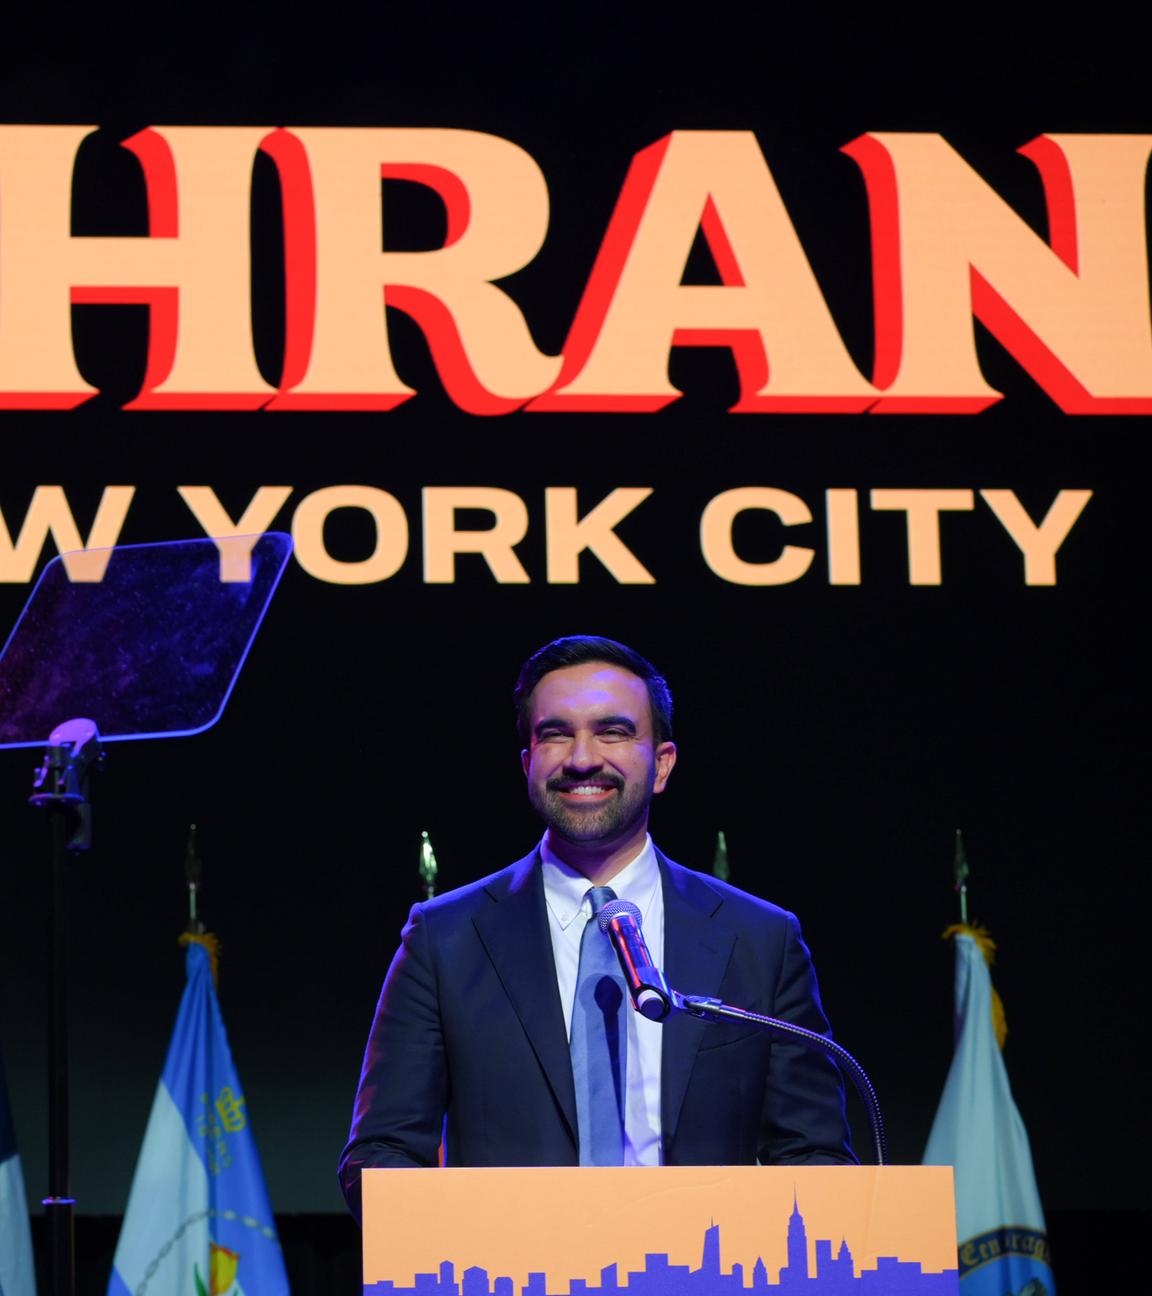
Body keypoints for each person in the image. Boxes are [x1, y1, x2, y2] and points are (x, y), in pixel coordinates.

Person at [339, 635, 855, 1219]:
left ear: (661, 764)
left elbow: (814, 1156)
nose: (582, 758)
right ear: (527, 762)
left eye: (612, 732)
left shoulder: (761, 939)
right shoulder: (444, 940)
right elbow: (379, 1158)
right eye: (556, 733)